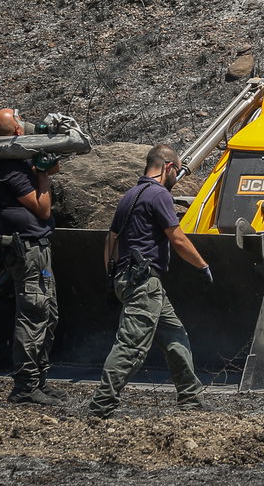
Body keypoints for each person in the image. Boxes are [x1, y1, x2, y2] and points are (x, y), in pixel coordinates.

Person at [87, 145, 211, 418]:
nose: (177, 177)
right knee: (131, 344)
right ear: (168, 167)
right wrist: (202, 265)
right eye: (177, 171)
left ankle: (190, 396)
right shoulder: (159, 195)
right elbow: (177, 238)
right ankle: (101, 404)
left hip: (133, 278)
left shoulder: (130, 195)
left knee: (174, 334)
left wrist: (112, 277)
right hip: (144, 282)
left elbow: (111, 240)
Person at [0, 108, 64, 406]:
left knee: (46, 314)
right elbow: (42, 208)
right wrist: (40, 174)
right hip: (27, 249)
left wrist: (44, 165)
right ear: (16, 132)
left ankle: (38, 380)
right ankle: (26, 386)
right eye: (20, 120)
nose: (25, 123)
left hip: (34, 248)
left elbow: (48, 172)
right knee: (32, 315)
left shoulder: (9, 162)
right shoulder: (7, 169)